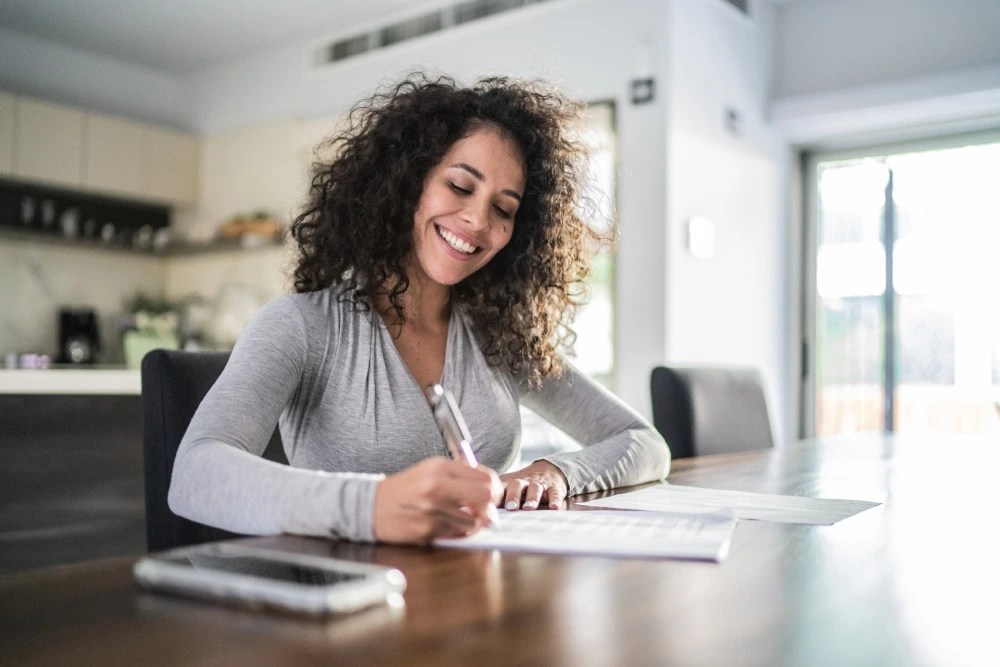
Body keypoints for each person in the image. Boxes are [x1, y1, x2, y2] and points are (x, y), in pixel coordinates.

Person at [168, 73, 670, 545]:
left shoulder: (500, 336)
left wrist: (558, 472)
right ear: (407, 182)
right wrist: (372, 505)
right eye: (459, 186)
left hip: (476, 600)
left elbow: (643, 443)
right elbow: (195, 472)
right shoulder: (302, 326)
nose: (476, 220)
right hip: (351, 613)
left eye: (504, 209)